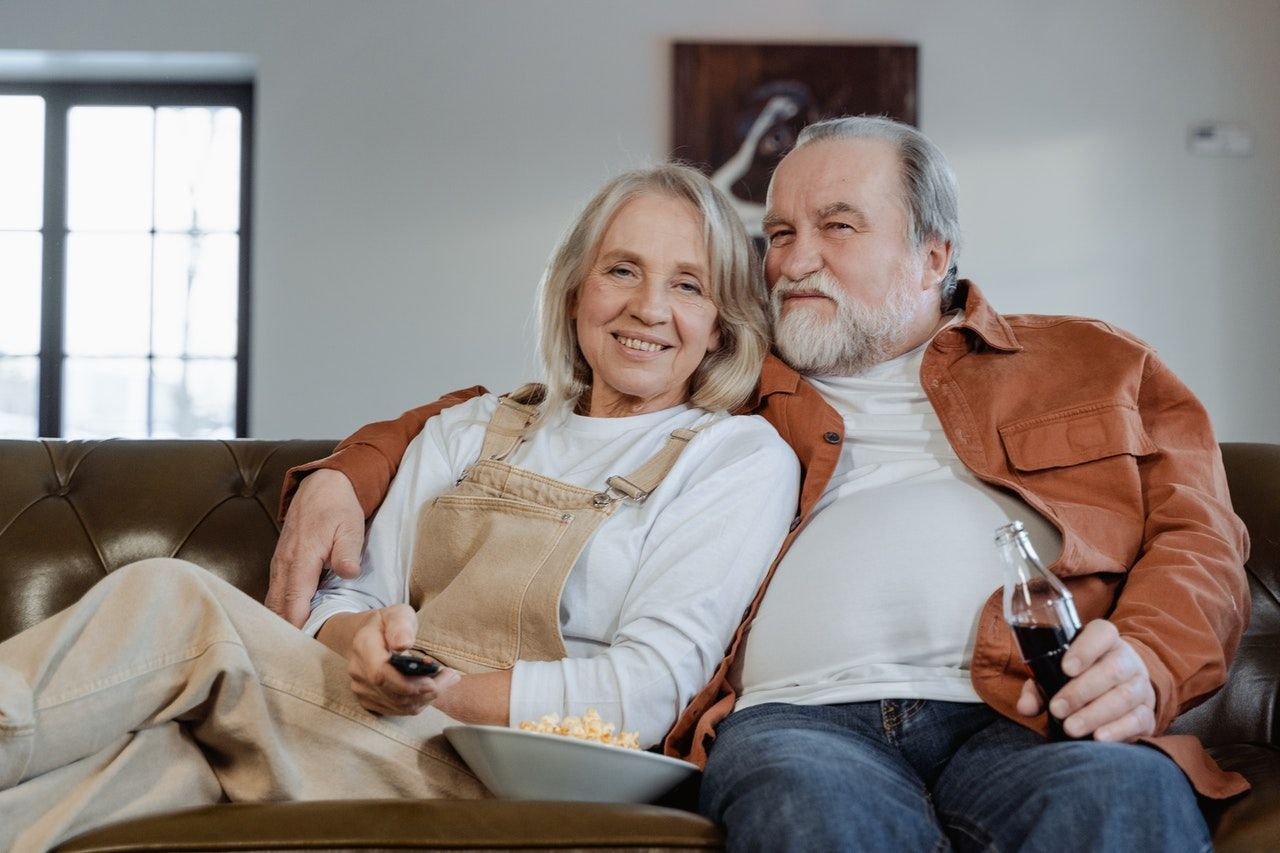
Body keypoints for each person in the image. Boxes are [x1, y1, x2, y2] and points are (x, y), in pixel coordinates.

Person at [268, 116, 1250, 851]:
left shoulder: (1094, 362)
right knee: (796, 803)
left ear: (932, 256)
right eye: (777, 234)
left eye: (835, 226)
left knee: (1120, 798)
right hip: (795, 722)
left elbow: (1199, 538)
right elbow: (539, 410)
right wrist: (348, 471)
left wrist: (1151, 664)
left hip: (1028, 713)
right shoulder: (731, 384)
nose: (793, 259)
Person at [0, 164, 800, 853]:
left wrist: (434, 687)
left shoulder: (732, 459)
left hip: (519, 773)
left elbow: (646, 690)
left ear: (721, 324)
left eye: (687, 284)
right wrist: (361, 645)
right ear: (574, 292)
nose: (649, 307)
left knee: (176, 599)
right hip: (366, 723)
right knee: (152, 767)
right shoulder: (470, 429)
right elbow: (340, 601)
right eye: (621, 270)